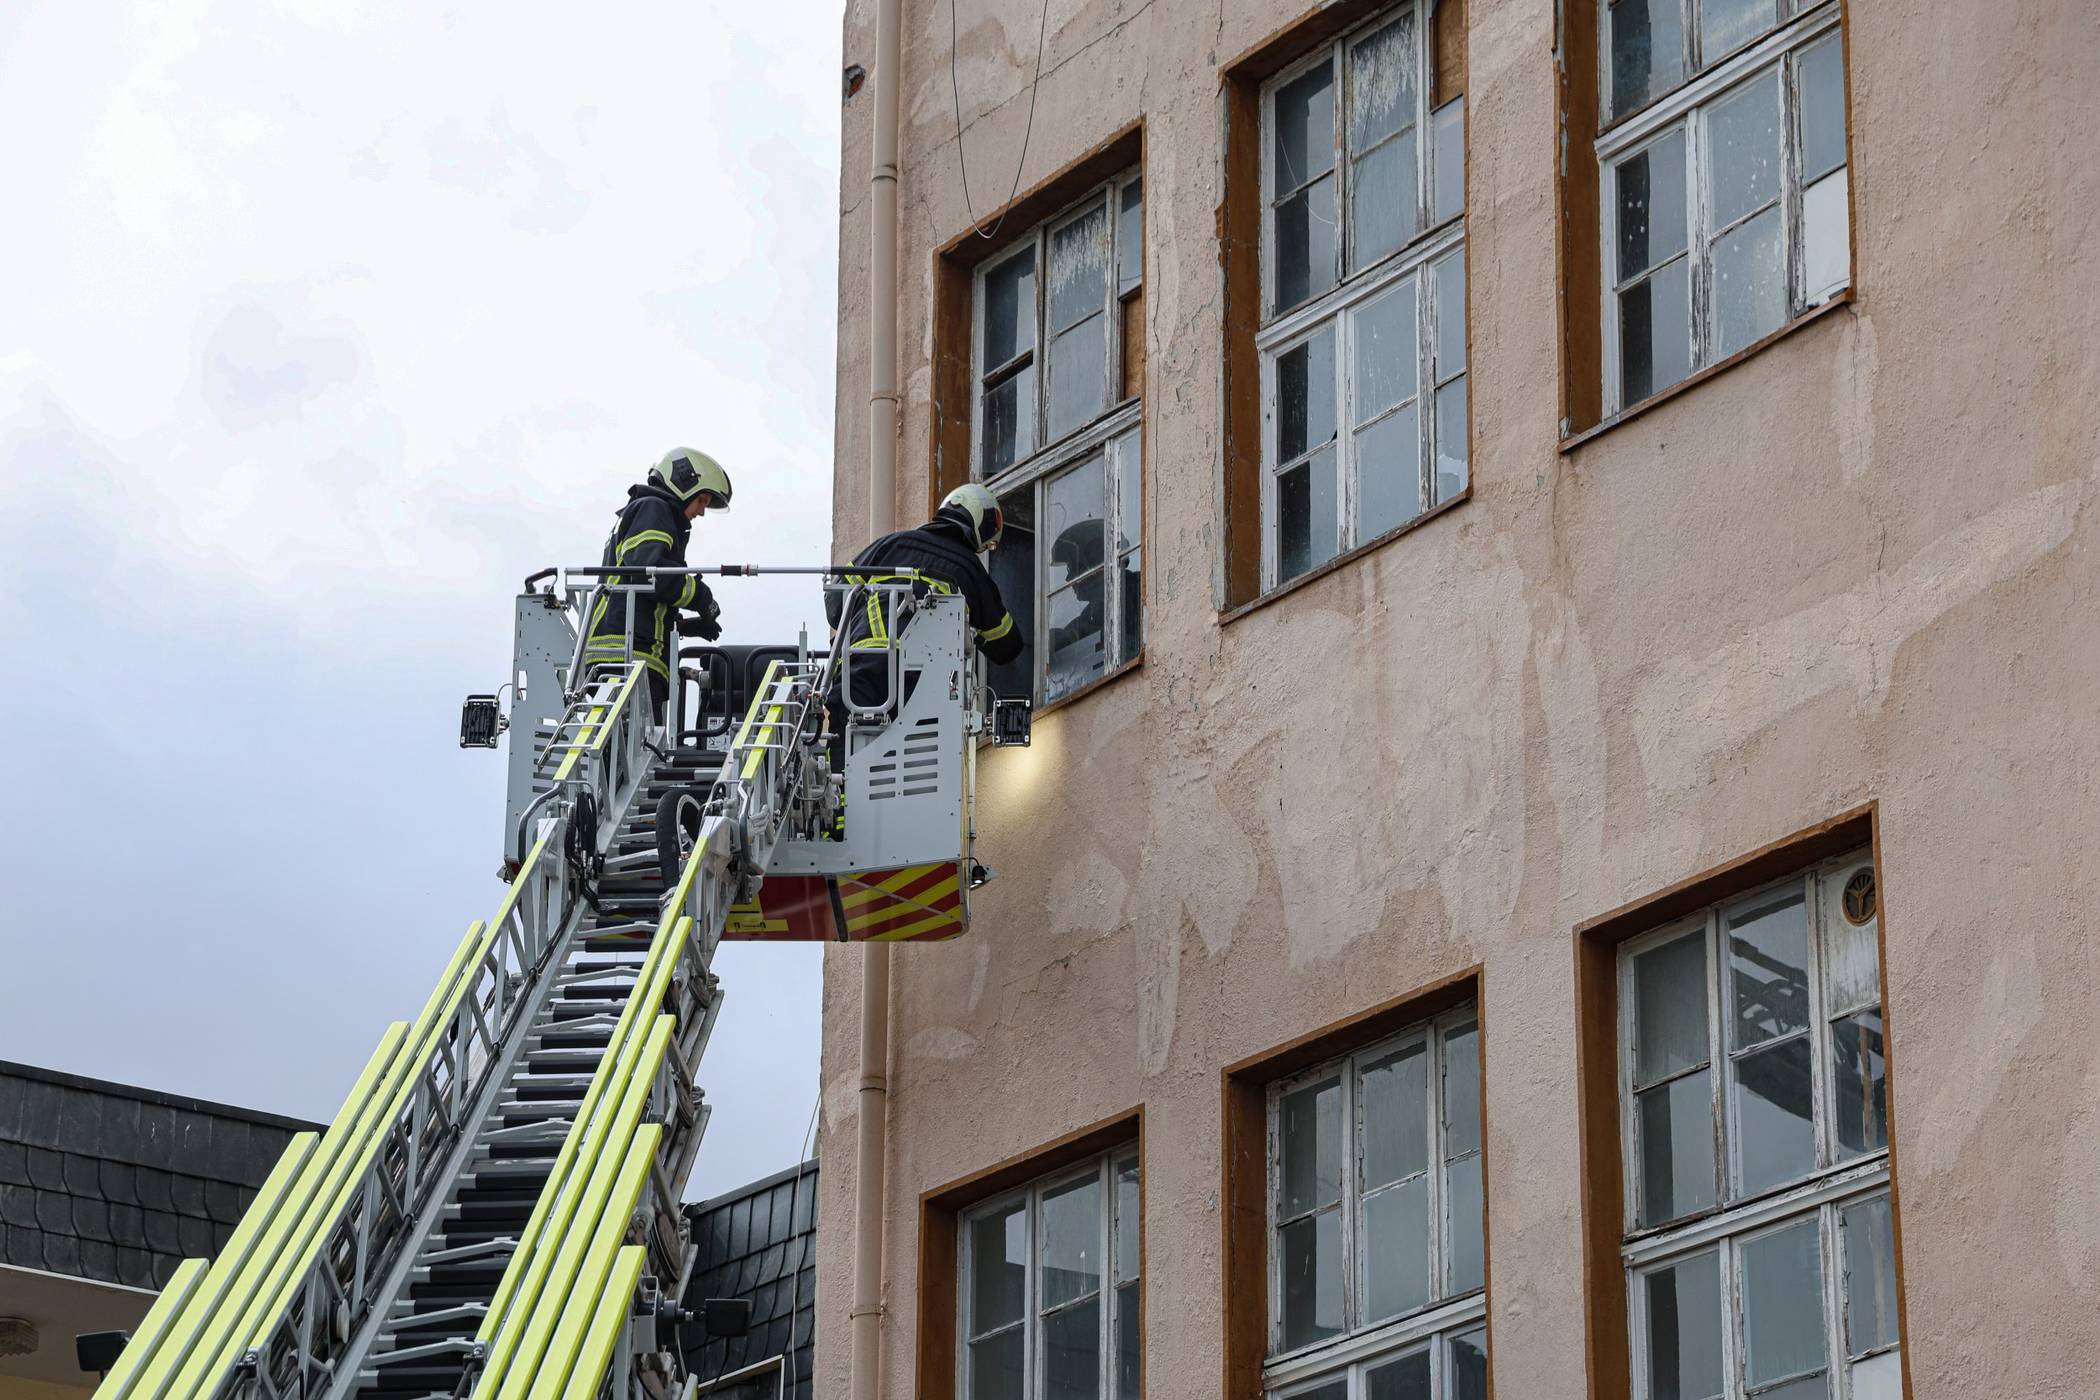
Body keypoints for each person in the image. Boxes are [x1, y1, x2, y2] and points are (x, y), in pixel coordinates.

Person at [825, 483, 1024, 748]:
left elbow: (835, 604)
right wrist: (974, 634)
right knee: (914, 761)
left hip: (860, 667)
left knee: (845, 758)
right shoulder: (969, 569)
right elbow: (1007, 645)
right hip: (921, 683)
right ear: (978, 525)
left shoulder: (890, 544)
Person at [582, 448, 732, 721]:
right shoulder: (654, 509)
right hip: (628, 657)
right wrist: (701, 595)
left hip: (627, 655)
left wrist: (685, 627)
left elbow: (644, 599)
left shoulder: (646, 512)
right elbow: (652, 574)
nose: (700, 512)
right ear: (683, 483)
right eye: (701, 500)